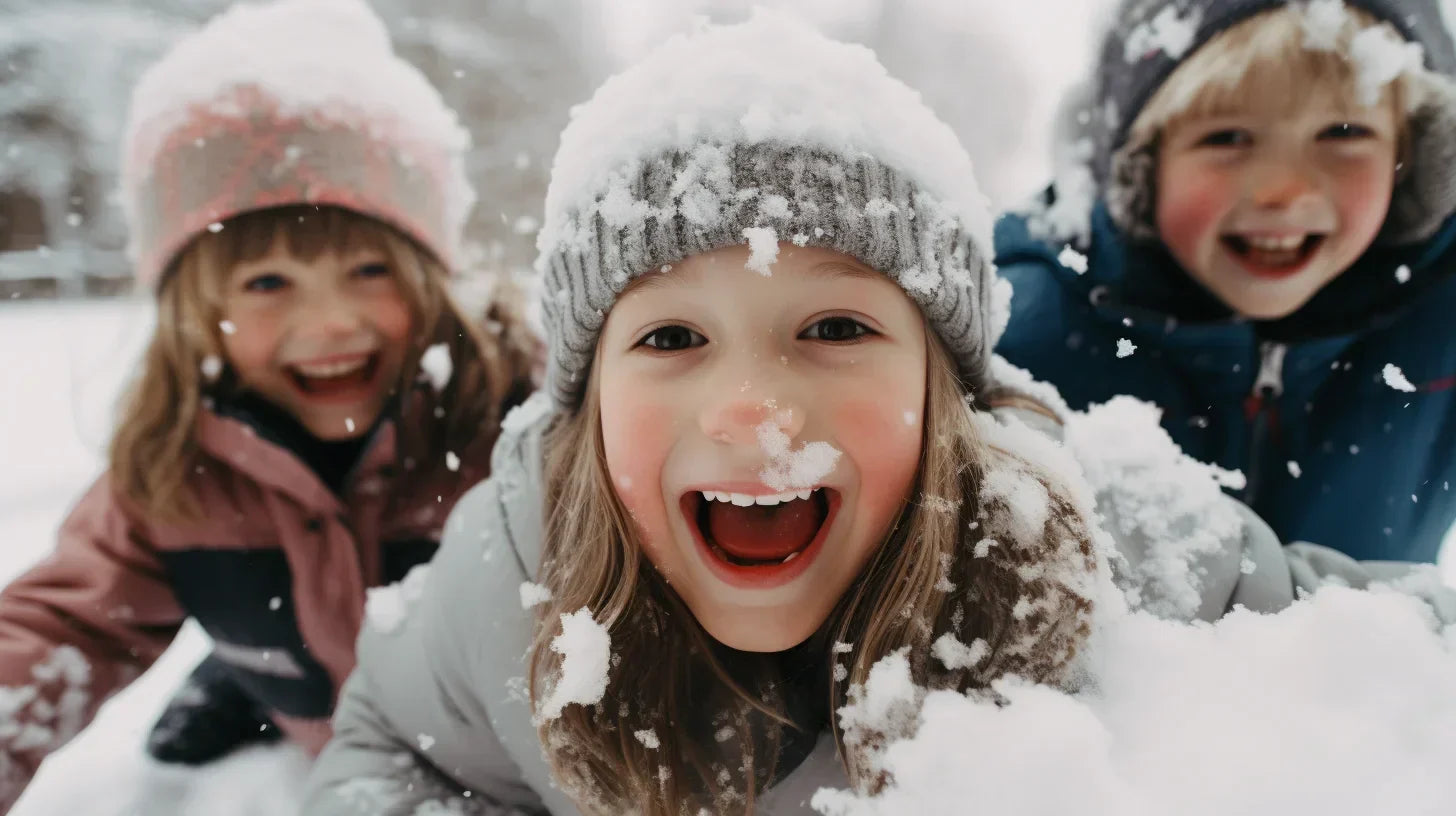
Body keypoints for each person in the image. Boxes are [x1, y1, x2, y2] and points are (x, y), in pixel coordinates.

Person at [302, 12, 1455, 816]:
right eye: (670, 339)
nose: (754, 411)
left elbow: (1379, 649)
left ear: (945, 387)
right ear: (586, 401)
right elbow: (396, 753)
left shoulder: (1108, 542)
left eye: (835, 327)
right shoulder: (517, 566)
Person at [0, 0, 537, 807]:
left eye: (369, 271)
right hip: (307, 692)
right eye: (267, 282)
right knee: (263, 624)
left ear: (430, 275)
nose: (329, 323)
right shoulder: (177, 468)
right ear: (198, 309)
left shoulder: (512, 422)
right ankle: (246, 676)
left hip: (474, 744)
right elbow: (64, 623)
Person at [995, 0, 1456, 562]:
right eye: (1228, 137)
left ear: (1414, 154)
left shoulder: (1440, 322)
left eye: (1343, 131)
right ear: (1142, 165)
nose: (1285, 190)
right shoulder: (1019, 343)